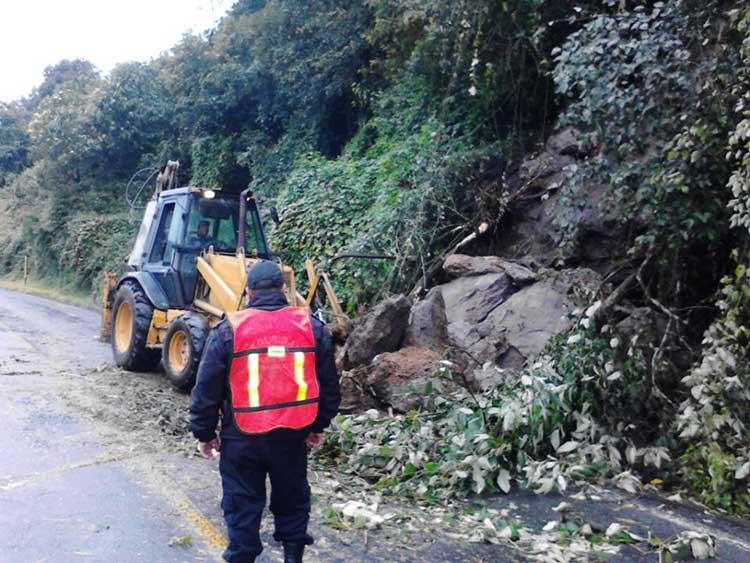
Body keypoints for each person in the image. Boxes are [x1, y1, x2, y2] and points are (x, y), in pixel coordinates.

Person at [189, 260, 341, 563]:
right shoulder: (312, 328)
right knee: (293, 499)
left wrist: (204, 434)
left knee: (242, 503)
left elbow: (206, 391)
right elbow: (329, 386)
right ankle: (293, 556)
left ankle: (242, 557)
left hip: (241, 436)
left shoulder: (228, 330)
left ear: (248, 292)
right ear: (284, 289)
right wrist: (317, 425)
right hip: (293, 435)